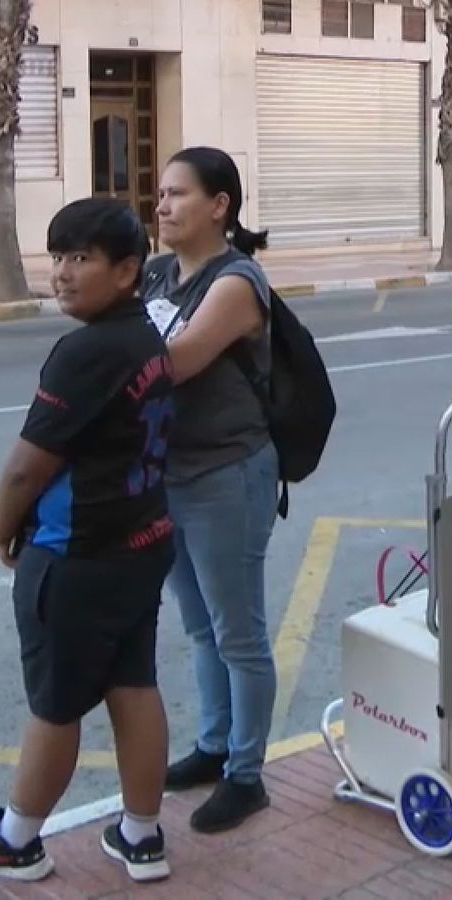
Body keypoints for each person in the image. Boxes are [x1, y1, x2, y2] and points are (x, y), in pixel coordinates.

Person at [0, 198, 177, 884]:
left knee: (55, 704)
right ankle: (142, 835)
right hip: (143, 540)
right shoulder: (145, 334)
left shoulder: (85, 351)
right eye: (58, 256)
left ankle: (17, 840)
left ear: (127, 271)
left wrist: (3, 526)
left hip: (79, 554)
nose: (63, 273)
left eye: (81, 259)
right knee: (133, 683)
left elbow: (27, 465)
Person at [142, 146, 280, 834]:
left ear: (219, 205)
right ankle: (215, 744)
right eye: (161, 194)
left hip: (227, 474)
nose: (162, 205)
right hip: (169, 473)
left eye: (177, 194)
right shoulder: (159, 274)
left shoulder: (235, 282)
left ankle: (247, 775)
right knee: (199, 626)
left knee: (238, 632)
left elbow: (175, 361)